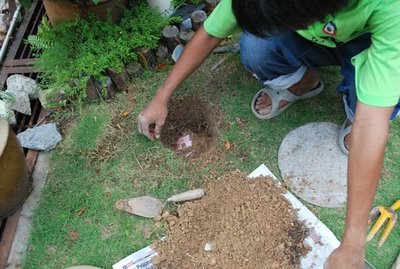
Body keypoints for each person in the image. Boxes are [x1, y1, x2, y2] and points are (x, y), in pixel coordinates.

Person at [138, 0, 400, 268]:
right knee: (256, 48)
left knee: (367, 115)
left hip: (367, 41)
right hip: (311, 29)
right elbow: (211, 33)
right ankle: (303, 83)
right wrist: (163, 95)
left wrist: (353, 243)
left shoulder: (391, 10)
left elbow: (372, 125)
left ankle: (353, 108)